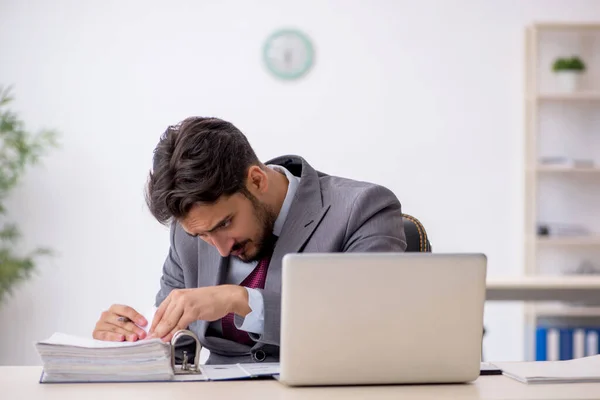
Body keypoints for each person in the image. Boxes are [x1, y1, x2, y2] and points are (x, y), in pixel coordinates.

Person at [92, 117, 407, 364]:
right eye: (201, 235)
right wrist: (130, 339)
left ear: (257, 180)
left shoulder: (362, 208)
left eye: (225, 223)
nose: (221, 247)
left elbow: (371, 323)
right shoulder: (188, 232)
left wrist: (240, 300)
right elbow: (171, 341)